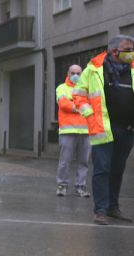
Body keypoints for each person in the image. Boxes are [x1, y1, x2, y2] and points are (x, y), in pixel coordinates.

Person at [73, 35, 134, 225]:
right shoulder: (94, 70)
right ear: (114, 51)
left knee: (117, 170)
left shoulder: (132, 69)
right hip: (103, 129)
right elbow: (78, 96)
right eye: (128, 49)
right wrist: (90, 116)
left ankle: (112, 208)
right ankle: (100, 210)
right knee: (102, 170)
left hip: (128, 130)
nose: (131, 53)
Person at [55, 64, 90, 198]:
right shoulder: (62, 88)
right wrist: (81, 107)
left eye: (79, 73)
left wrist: (75, 106)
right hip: (67, 131)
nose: (76, 75)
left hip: (86, 132)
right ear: (68, 74)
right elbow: (63, 104)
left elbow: (93, 104)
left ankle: (80, 187)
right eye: (73, 73)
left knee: (84, 162)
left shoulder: (87, 89)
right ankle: (62, 186)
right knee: (65, 161)